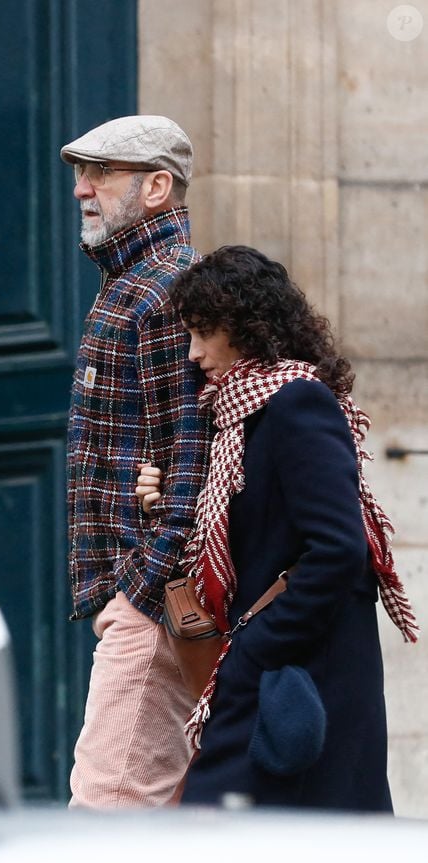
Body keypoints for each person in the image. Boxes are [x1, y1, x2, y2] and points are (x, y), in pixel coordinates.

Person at [137, 244, 418, 811]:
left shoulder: (297, 402)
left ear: (245, 325)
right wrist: (167, 503)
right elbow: (257, 529)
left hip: (306, 675)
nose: (193, 354)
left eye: (203, 332)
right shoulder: (239, 417)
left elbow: (338, 549)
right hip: (274, 676)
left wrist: (255, 651)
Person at [60, 115, 211, 808]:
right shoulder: (132, 284)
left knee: (106, 814)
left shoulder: (165, 291)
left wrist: (142, 592)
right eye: (78, 174)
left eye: (100, 174)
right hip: (137, 596)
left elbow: (191, 455)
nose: (81, 190)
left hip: (152, 601)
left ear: (156, 187)